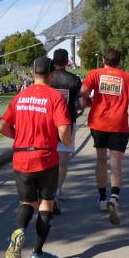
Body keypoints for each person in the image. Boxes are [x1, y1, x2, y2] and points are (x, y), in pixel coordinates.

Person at [0, 57, 72, 258]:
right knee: (46, 203)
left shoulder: (20, 97)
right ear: (51, 75)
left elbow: (2, 127)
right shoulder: (55, 97)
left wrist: (19, 137)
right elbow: (64, 129)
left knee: (27, 202)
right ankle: (37, 254)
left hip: (21, 158)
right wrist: (65, 142)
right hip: (46, 157)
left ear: (32, 74)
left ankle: (19, 230)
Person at [80, 48, 129, 225]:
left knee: (101, 160)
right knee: (116, 162)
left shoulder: (95, 74)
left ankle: (101, 199)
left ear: (104, 60)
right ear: (119, 61)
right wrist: (125, 98)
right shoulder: (125, 76)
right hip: (118, 124)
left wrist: (90, 101)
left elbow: (83, 91)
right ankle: (114, 197)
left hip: (98, 122)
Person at [50, 49, 83, 205]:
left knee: (48, 157)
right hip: (67, 121)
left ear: (53, 60)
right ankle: (57, 191)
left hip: (48, 122)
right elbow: (81, 102)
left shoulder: (48, 78)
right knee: (62, 161)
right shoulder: (74, 79)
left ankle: (46, 191)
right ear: (66, 61)